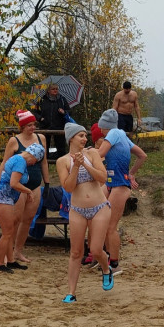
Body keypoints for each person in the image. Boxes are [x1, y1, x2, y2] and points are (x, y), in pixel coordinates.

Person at [56, 123, 114, 302]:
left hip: (99, 207)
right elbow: (68, 187)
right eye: (81, 135)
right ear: (71, 138)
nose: (85, 138)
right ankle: (71, 293)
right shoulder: (62, 161)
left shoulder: (93, 154)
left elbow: (103, 178)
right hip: (77, 210)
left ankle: (106, 268)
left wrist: (85, 165)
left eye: (85, 135)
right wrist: (75, 167)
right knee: (76, 252)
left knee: (96, 249)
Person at [96, 109, 147, 273]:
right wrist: (131, 173)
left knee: (110, 226)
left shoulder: (113, 133)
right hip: (114, 183)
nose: (101, 132)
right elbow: (142, 156)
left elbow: (100, 153)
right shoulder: (123, 136)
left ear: (106, 126)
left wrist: (83, 155)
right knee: (102, 223)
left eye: (102, 128)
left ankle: (114, 263)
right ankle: (104, 258)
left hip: (119, 185)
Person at [0, 110, 50, 266]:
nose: (32, 128)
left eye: (34, 124)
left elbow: (44, 162)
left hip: (35, 184)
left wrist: (47, 182)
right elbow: (5, 162)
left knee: (27, 220)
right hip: (18, 185)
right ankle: (8, 252)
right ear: (22, 127)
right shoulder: (14, 141)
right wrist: (0, 181)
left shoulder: (41, 139)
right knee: (15, 220)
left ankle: (18, 251)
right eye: (29, 125)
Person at [0, 141, 45, 273]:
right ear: (32, 156)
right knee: (7, 232)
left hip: (7, 198)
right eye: (36, 160)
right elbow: (14, 183)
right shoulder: (20, 161)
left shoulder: (18, 159)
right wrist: (28, 191)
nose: (34, 164)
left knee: (10, 230)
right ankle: (0, 263)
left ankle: (11, 261)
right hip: (3, 198)